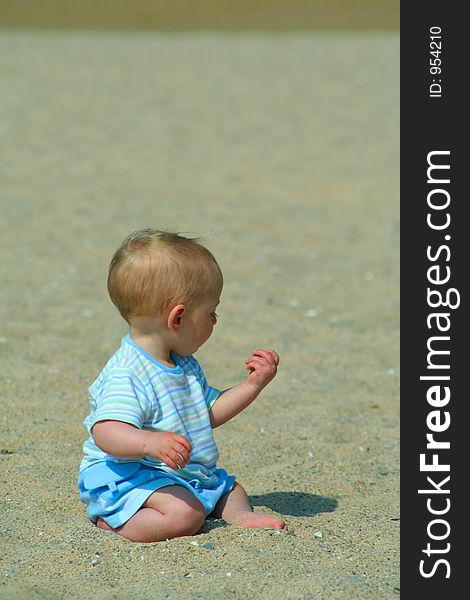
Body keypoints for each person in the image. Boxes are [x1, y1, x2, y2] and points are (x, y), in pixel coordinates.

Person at [78, 229, 287, 542]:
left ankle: (241, 516)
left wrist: (252, 386)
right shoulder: (128, 372)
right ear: (178, 318)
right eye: (211, 313)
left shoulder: (183, 364)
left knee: (230, 489)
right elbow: (105, 431)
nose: (215, 321)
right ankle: (118, 522)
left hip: (178, 472)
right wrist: (150, 443)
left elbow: (207, 413)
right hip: (131, 476)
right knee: (185, 515)